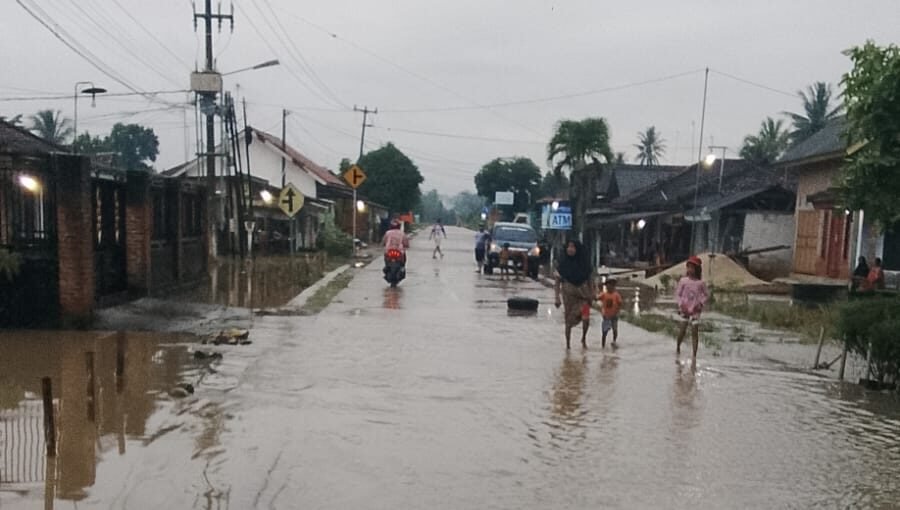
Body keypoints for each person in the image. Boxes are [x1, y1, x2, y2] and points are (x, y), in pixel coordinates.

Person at [554, 239, 596, 349]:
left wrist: (593, 293)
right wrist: (557, 297)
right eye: (569, 247)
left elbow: (591, 280)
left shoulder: (585, 265)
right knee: (568, 322)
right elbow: (557, 282)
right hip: (569, 297)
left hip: (584, 296)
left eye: (573, 247)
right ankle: (568, 345)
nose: (570, 249)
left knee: (586, 318)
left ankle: (583, 338)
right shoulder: (562, 264)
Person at [675, 256, 709, 368]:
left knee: (695, 331)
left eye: (692, 268)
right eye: (688, 267)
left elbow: (706, 295)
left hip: (695, 310)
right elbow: (678, 294)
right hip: (684, 309)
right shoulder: (683, 281)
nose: (690, 270)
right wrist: (680, 305)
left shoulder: (700, 283)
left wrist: (701, 304)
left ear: (697, 269)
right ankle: (678, 347)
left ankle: (694, 355)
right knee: (682, 329)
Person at [599, 277, 624, 348]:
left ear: (614, 286)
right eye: (608, 285)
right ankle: (603, 345)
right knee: (604, 331)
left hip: (614, 316)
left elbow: (620, 303)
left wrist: (618, 311)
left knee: (615, 329)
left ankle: (614, 341)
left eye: (611, 285)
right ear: (606, 286)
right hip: (606, 316)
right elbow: (597, 298)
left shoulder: (616, 295)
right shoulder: (604, 294)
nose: (609, 287)